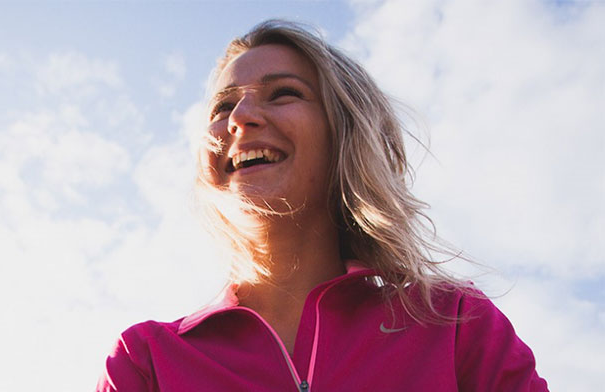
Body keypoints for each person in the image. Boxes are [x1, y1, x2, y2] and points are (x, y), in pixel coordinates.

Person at [97, 20, 548, 391]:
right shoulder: (146, 361)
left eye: (283, 94)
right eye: (222, 106)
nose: (238, 118)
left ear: (344, 134)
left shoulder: (455, 324)